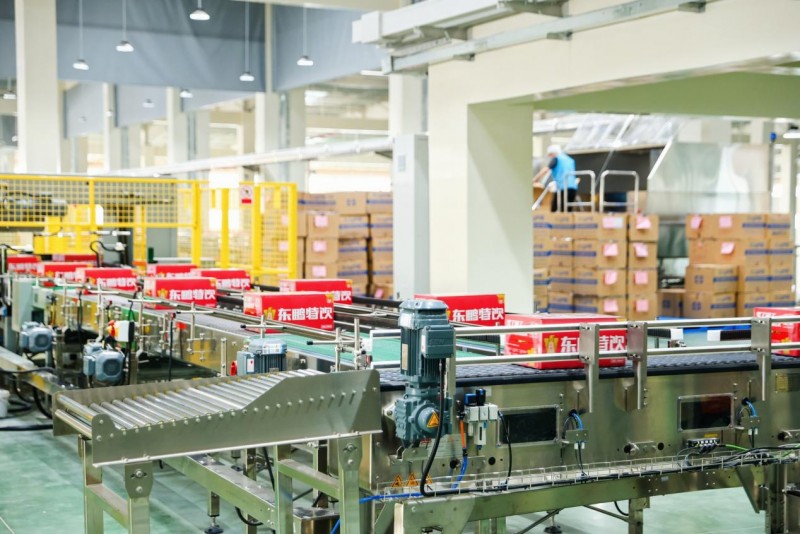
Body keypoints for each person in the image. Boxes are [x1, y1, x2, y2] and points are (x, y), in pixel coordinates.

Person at [533, 144, 577, 212]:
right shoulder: (570, 160)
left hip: (562, 187)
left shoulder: (557, 158)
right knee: (567, 209)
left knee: (554, 208)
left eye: (550, 155)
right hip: (573, 187)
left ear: (553, 153)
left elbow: (546, 169)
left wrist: (535, 179)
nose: (550, 157)